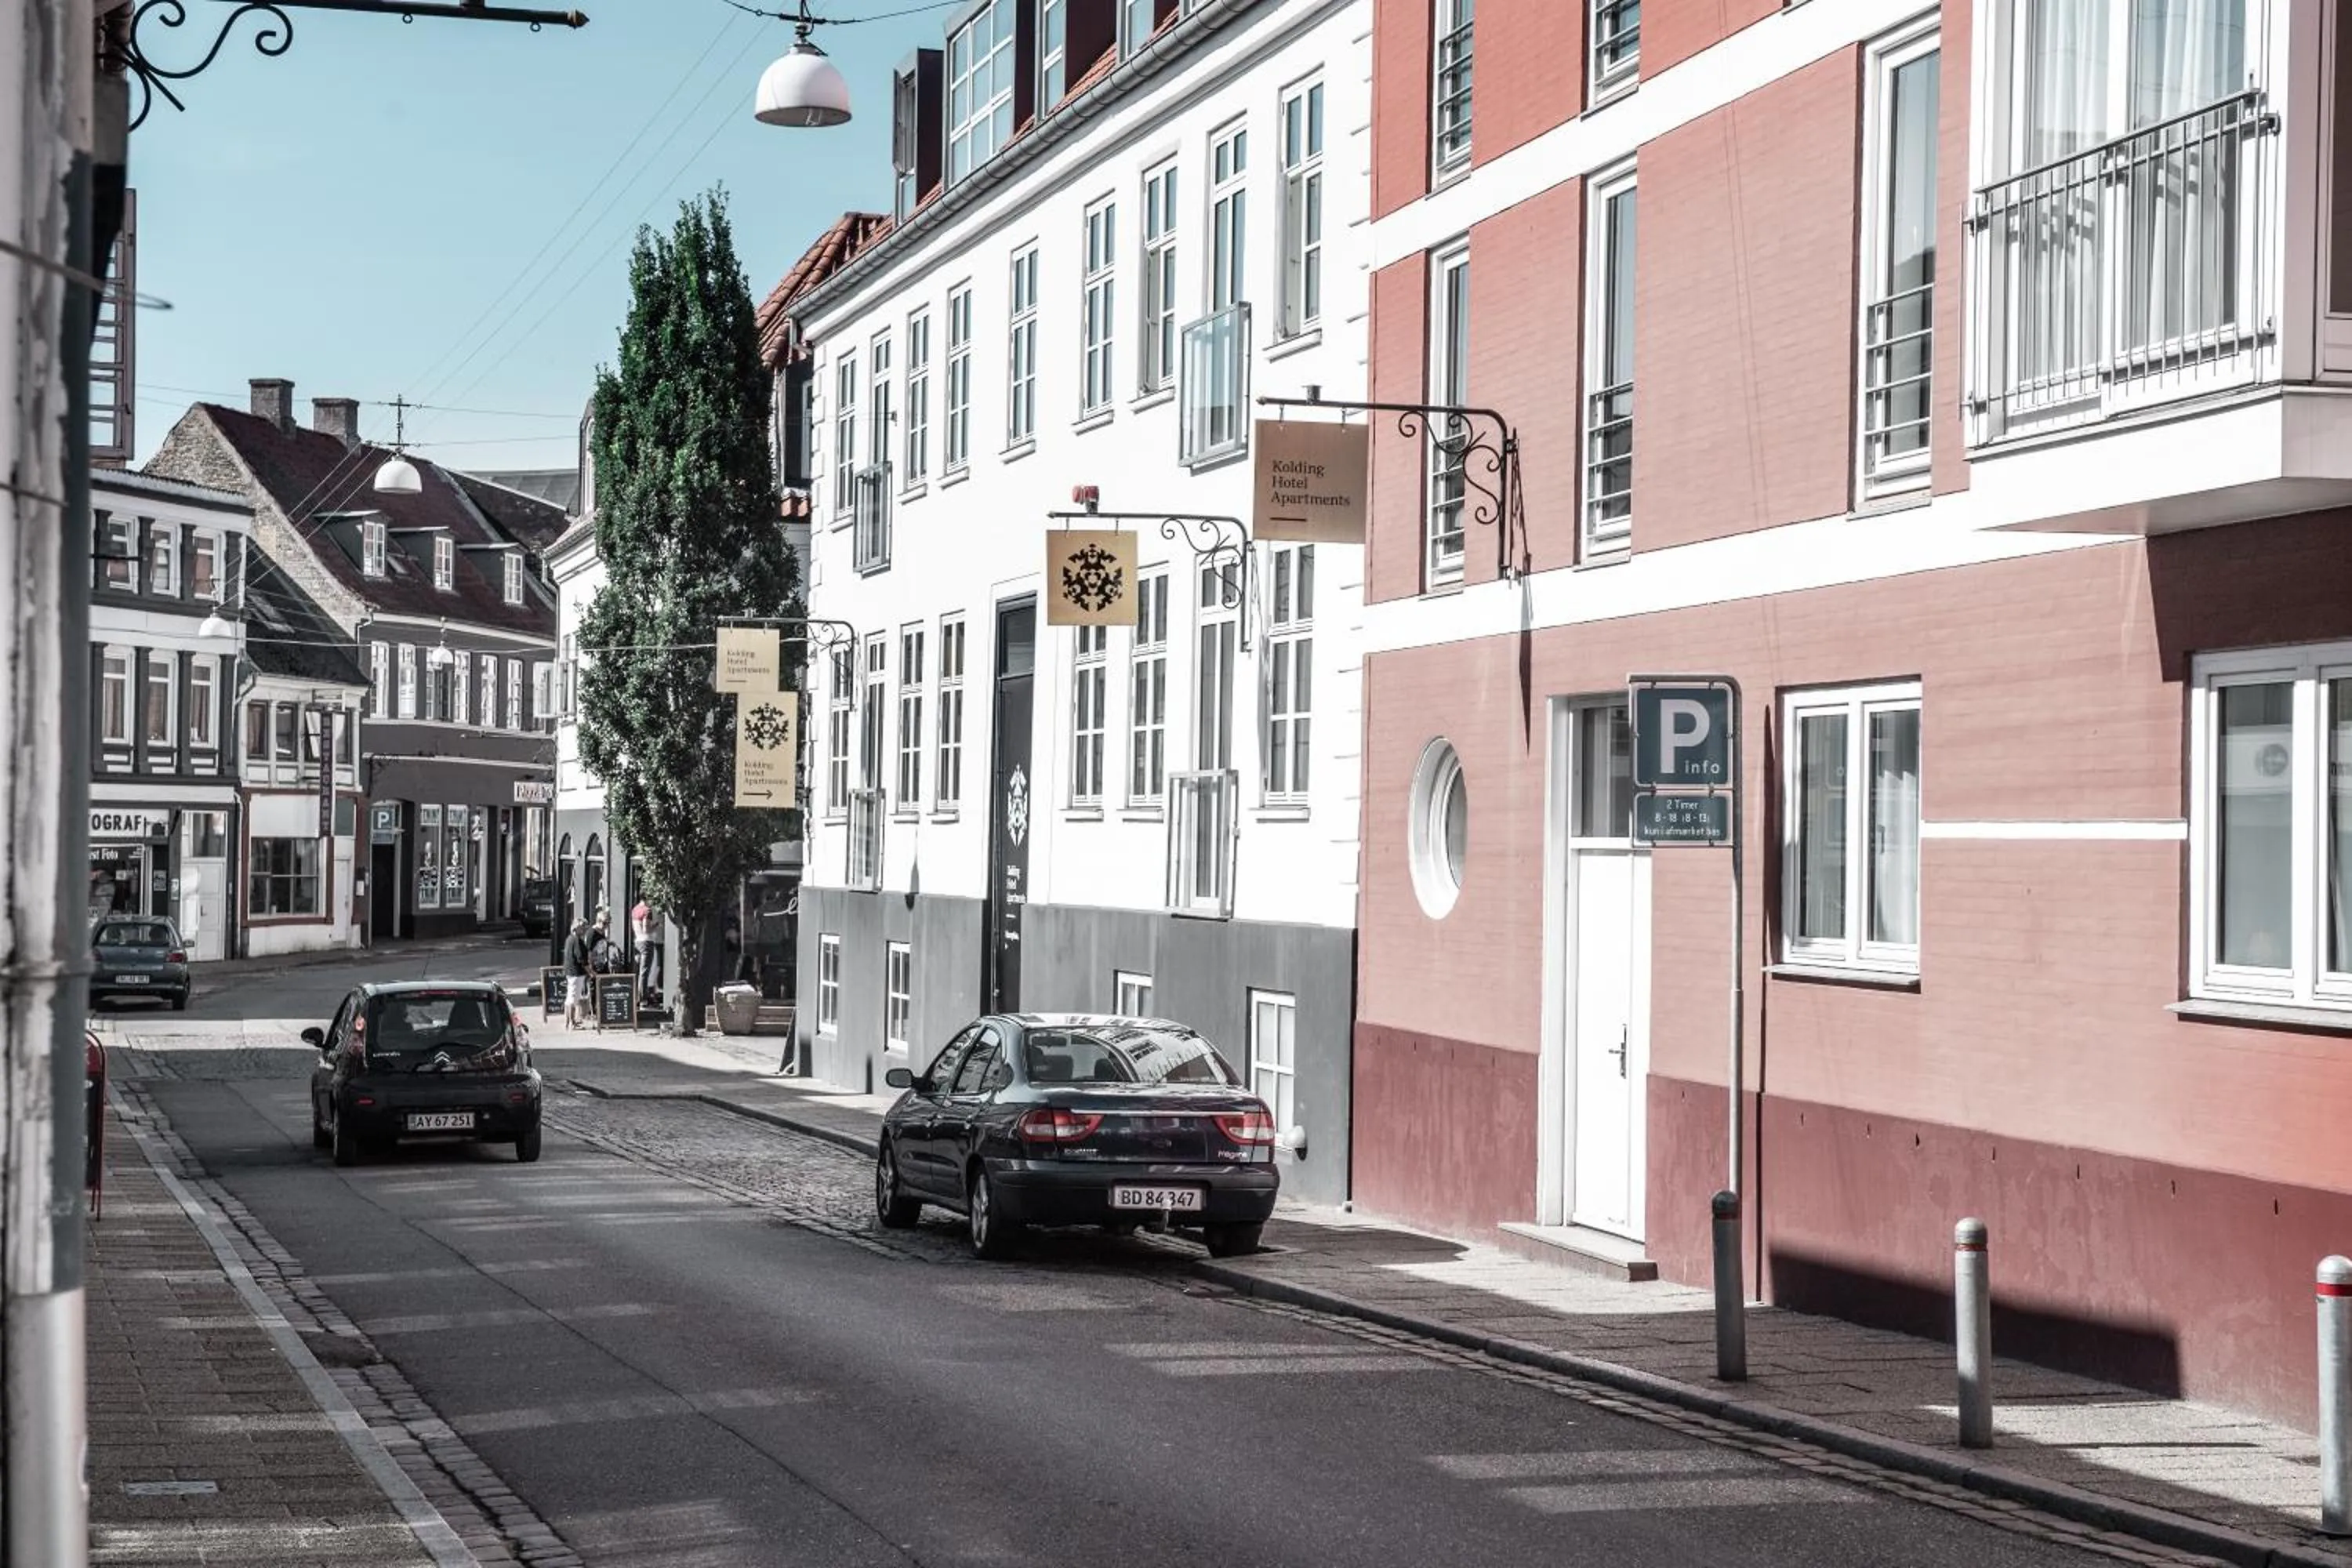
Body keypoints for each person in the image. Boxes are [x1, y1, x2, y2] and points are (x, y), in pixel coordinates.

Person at [561, 917, 593, 1028]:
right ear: (575, 928)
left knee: (570, 997)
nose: (584, 930)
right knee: (573, 998)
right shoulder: (577, 941)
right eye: (582, 927)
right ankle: (571, 1022)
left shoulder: (569, 939)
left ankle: (568, 1021)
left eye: (585, 927)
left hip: (571, 972)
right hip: (576, 973)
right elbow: (581, 958)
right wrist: (590, 971)